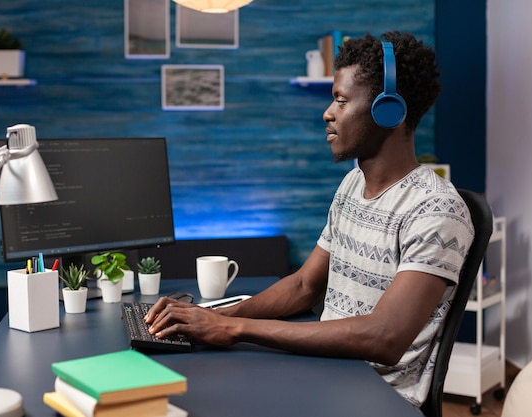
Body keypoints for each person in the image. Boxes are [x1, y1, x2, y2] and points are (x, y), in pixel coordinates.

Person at [145, 31, 475, 408]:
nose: (328, 113)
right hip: (329, 369)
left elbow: (384, 337)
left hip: (376, 396)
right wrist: (211, 317)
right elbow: (304, 285)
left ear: (389, 111)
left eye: (341, 100)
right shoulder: (352, 184)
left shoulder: (436, 210)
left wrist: (233, 328)